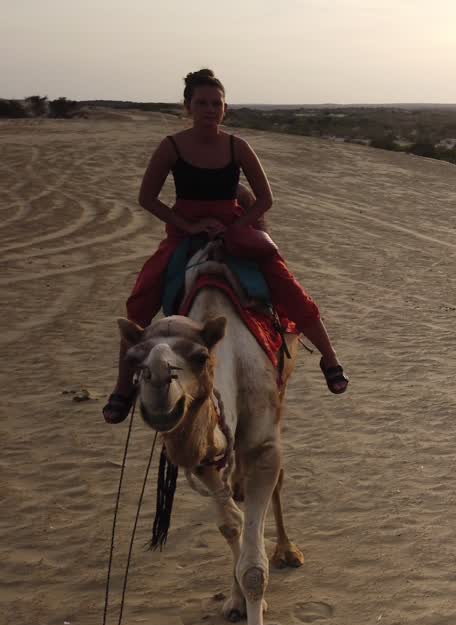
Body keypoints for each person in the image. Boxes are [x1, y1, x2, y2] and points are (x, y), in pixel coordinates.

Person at [102, 69, 347, 423]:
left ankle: (329, 357)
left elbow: (265, 199)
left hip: (234, 231)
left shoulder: (237, 146)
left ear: (225, 108)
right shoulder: (172, 146)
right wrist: (189, 225)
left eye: (216, 103)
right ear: (187, 106)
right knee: (140, 301)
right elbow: (147, 198)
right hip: (185, 233)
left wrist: (237, 228)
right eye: (201, 103)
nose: (209, 109)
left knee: (286, 284)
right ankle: (123, 388)